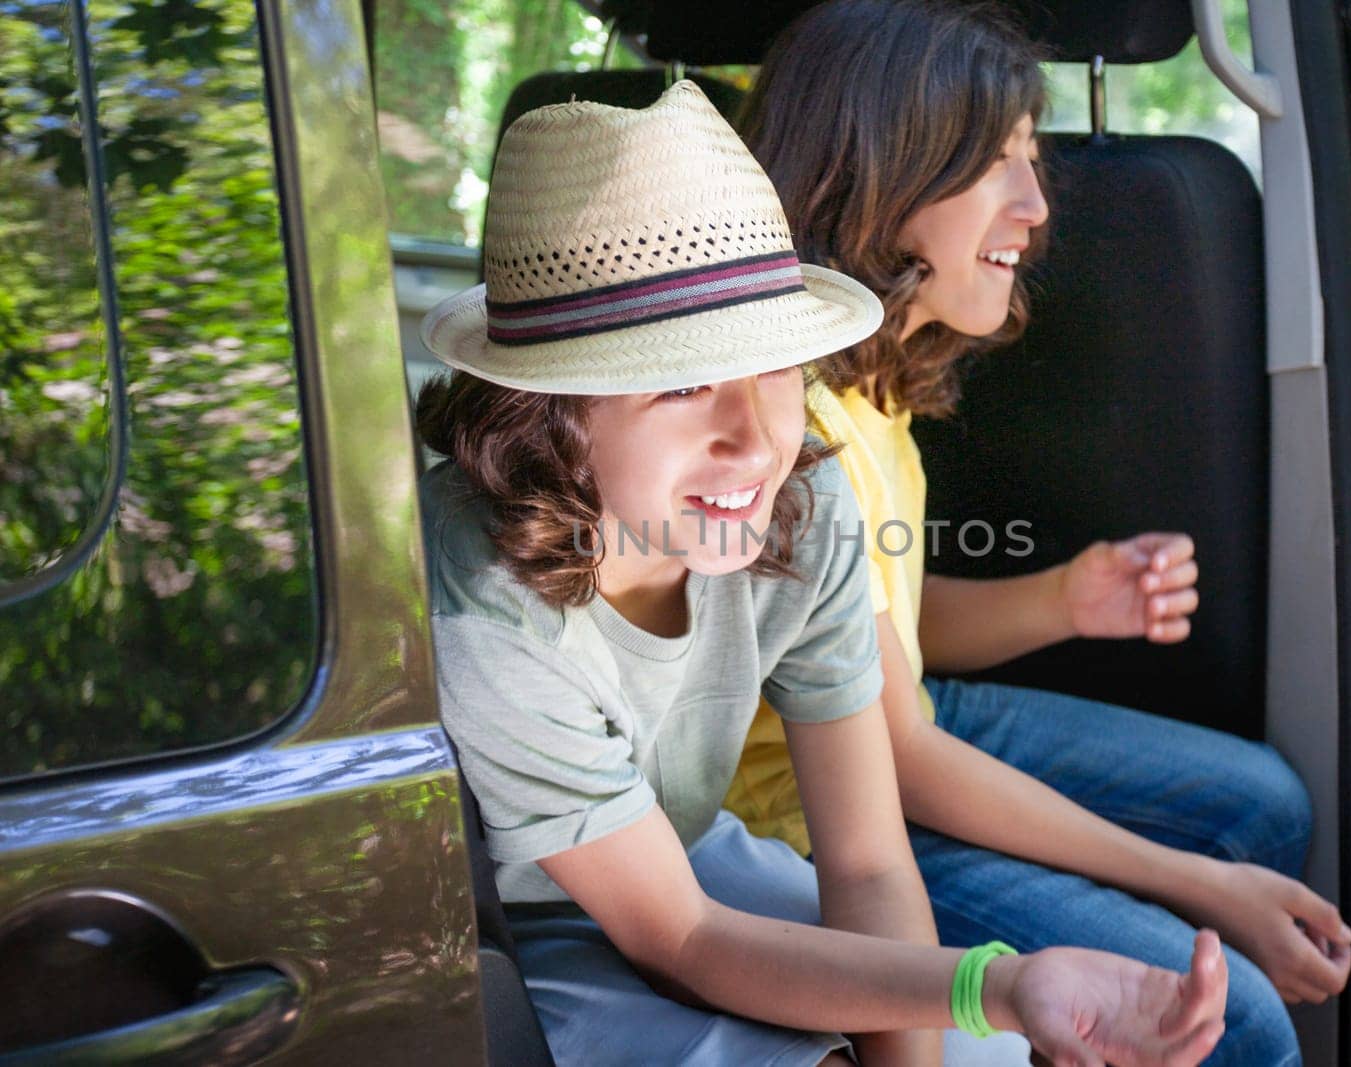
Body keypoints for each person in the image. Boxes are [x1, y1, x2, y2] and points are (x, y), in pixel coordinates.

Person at [415, 80, 1229, 1066]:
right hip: (527, 909)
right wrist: (993, 981)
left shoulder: (801, 501)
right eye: (680, 381)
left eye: (773, 367)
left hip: (692, 844)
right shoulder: (485, 601)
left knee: (982, 1052)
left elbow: (866, 856)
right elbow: (678, 937)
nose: (753, 440)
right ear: (551, 415)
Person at [724, 3, 1351, 1064]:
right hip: (808, 808)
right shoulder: (798, 428)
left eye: (1033, 158)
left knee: (1260, 801)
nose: (1036, 204)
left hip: (897, 726)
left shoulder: (869, 387)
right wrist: (1203, 886)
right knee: (1239, 1017)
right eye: (996, 165)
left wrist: (1065, 598)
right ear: (875, 173)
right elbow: (898, 758)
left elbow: (894, 622)